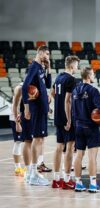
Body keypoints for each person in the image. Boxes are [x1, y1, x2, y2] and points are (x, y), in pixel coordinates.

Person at [72, 67, 100, 193]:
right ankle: (93, 185)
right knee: (92, 157)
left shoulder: (75, 90)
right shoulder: (93, 90)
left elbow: (73, 110)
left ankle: (78, 183)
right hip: (90, 127)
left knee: (78, 156)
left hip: (78, 126)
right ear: (89, 76)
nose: (94, 76)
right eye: (93, 74)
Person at [22, 45, 51, 186]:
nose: (48, 56)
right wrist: (27, 108)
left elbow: (48, 84)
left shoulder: (41, 67)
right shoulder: (34, 67)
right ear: (40, 53)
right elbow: (24, 86)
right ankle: (33, 174)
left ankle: (33, 173)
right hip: (36, 108)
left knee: (39, 139)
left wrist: (49, 68)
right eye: (46, 54)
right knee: (37, 139)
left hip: (42, 107)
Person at [51, 55, 79, 189]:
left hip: (57, 117)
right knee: (69, 148)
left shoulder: (58, 77)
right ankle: (67, 179)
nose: (77, 68)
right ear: (72, 65)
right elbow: (68, 101)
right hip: (67, 118)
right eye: (77, 65)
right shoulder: (71, 80)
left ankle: (56, 179)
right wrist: (69, 119)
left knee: (58, 147)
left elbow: (52, 93)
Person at [11, 83, 25, 177]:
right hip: (16, 117)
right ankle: (17, 168)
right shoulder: (19, 87)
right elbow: (15, 105)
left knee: (25, 142)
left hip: (22, 117)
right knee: (18, 142)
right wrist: (17, 122)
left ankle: (21, 167)